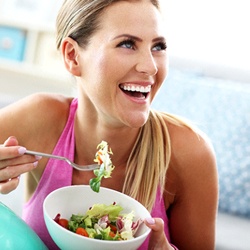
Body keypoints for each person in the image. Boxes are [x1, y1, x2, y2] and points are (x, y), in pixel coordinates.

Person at [0, 0, 218, 249]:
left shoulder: (189, 152)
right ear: (72, 56)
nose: (150, 66)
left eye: (158, 47)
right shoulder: (41, 118)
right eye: (127, 44)